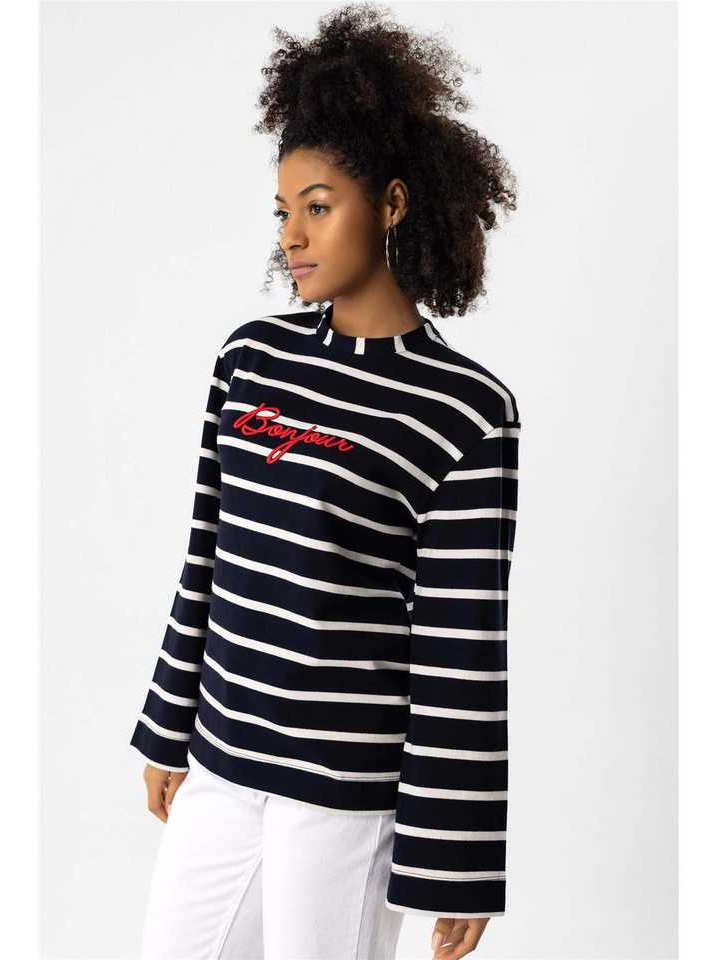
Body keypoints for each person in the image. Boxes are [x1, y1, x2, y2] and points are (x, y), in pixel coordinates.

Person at [129, 4, 522, 958]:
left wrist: (454, 858)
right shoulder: (250, 360)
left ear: (391, 204)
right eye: (283, 211)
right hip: (221, 768)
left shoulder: (465, 410)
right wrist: (167, 725)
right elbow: (208, 555)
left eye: (318, 205)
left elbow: (459, 645)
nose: (292, 236)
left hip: (343, 802)